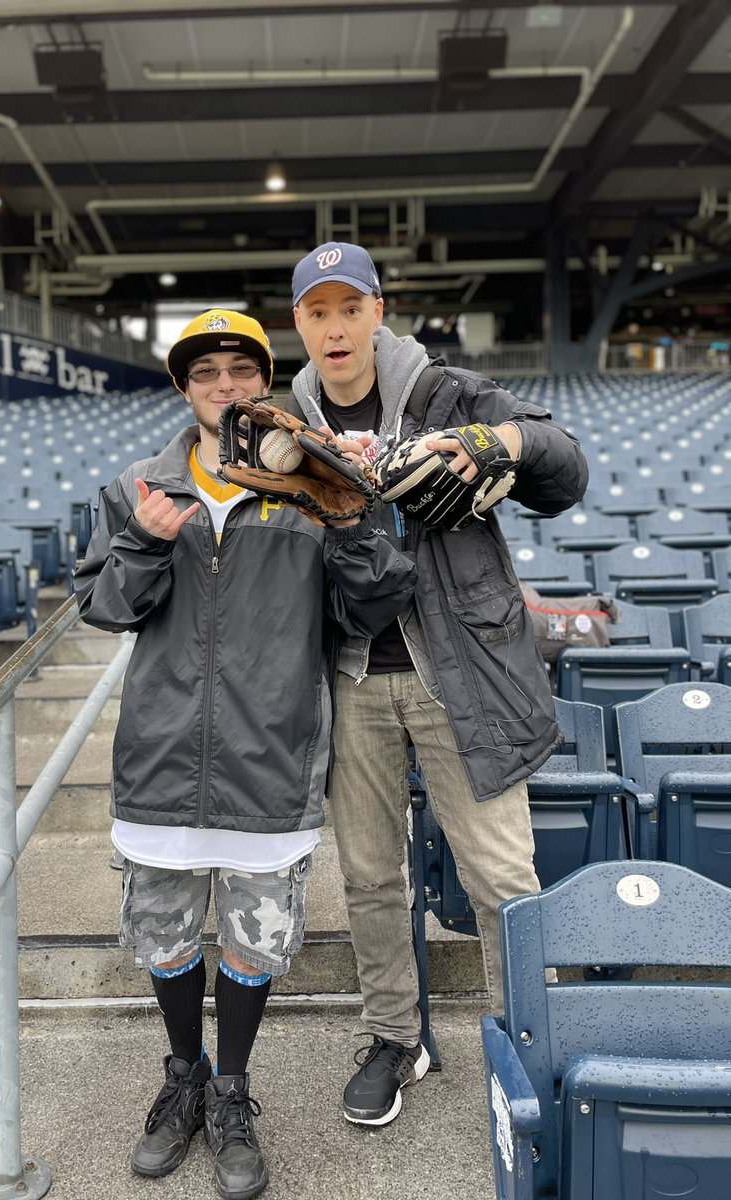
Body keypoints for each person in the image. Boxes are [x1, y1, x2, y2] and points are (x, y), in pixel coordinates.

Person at [73, 308, 416, 1199]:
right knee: (165, 933)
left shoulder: (312, 477)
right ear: (185, 388)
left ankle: (231, 1089)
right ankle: (181, 1076)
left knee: (257, 943)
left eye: (240, 370)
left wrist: (343, 521)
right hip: (161, 757)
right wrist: (145, 542)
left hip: (273, 752)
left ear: (264, 383)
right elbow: (104, 608)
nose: (225, 387)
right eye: (205, 373)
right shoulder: (138, 485)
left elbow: (376, 605)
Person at [287, 243, 589, 1127]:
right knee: (373, 880)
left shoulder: (449, 394)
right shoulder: (288, 425)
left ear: (378, 310)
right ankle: (395, 1038)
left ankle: (526, 1040)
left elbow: (565, 470)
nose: (335, 327)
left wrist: (506, 440)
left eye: (350, 307)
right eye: (317, 312)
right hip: (348, 674)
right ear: (300, 323)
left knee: (501, 873)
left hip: (460, 668)